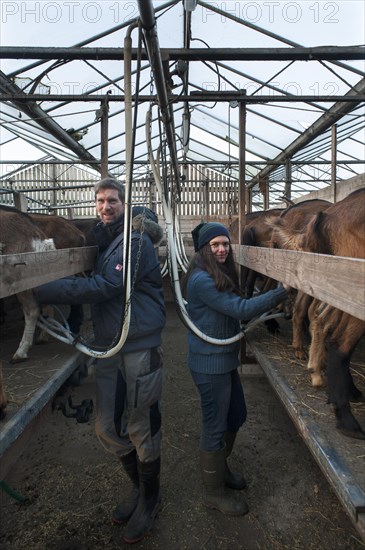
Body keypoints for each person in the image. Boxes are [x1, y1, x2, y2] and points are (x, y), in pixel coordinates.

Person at [34, 178, 166, 544]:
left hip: (139, 344)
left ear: (125, 204)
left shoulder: (134, 243)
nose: (106, 206)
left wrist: (44, 288)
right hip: (109, 345)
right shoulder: (107, 243)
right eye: (100, 201)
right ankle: (140, 488)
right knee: (106, 426)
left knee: (142, 424)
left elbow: (107, 287)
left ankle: (150, 498)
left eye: (112, 201)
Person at [181, 222, 288, 517]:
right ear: (204, 249)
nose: (221, 249)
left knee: (237, 414)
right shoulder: (202, 279)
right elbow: (241, 310)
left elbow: (237, 306)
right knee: (215, 425)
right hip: (209, 363)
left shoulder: (220, 274)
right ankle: (213, 492)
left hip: (223, 358)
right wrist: (282, 291)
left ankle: (220, 468)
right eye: (214, 245)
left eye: (225, 244)